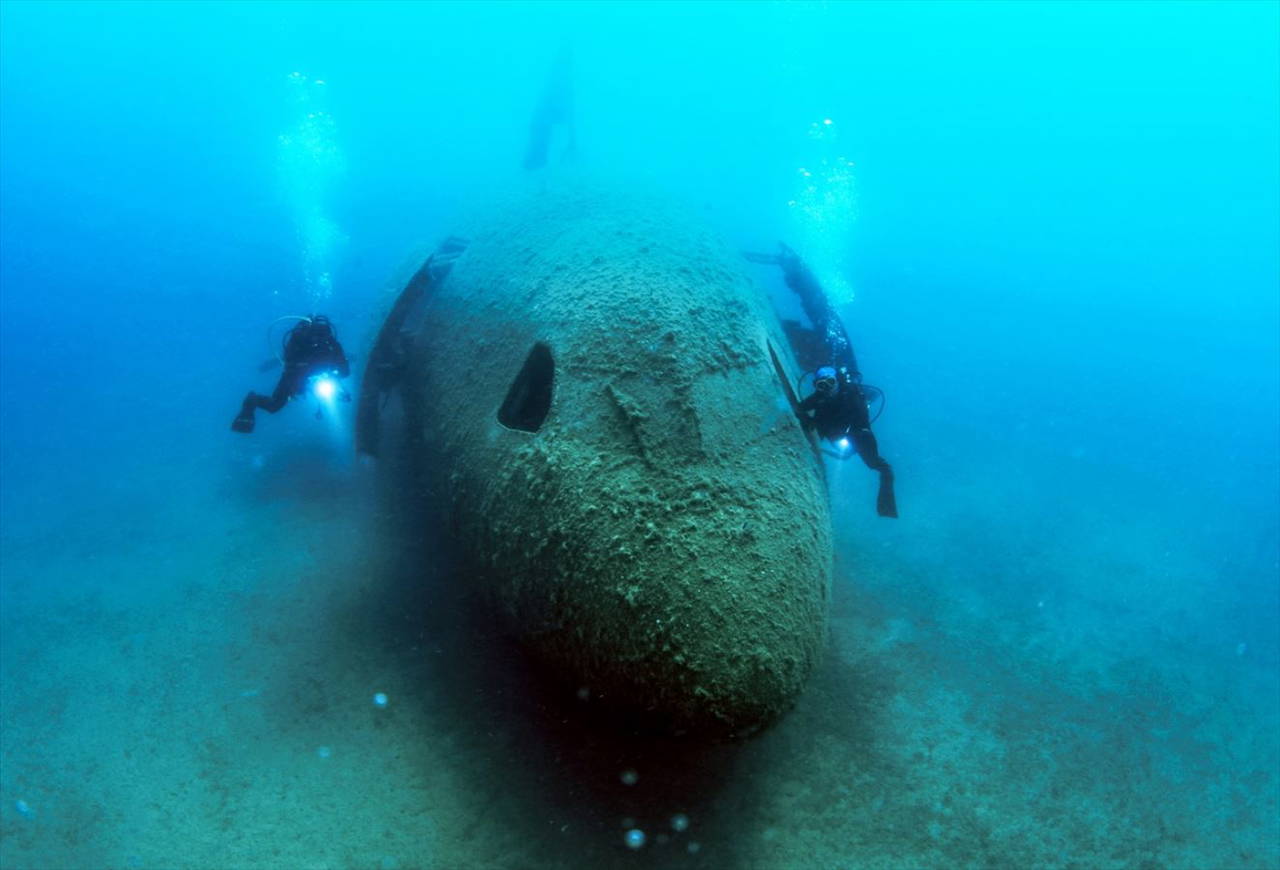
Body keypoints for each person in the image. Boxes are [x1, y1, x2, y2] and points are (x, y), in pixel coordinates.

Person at [797, 365, 898, 518]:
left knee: (877, 464)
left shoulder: (852, 393)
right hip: (839, 436)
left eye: (830, 382)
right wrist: (808, 421)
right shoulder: (819, 398)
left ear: (837, 381)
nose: (827, 388)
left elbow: (861, 419)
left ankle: (886, 505)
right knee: (846, 449)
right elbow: (800, 408)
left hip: (858, 434)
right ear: (817, 386)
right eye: (821, 385)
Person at [231, 314, 350, 433]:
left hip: (302, 373)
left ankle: (251, 403)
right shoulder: (327, 343)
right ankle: (250, 405)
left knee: (274, 405)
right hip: (298, 373)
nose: (318, 338)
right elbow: (344, 370)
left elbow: (343, 369)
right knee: (278, 403)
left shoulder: (328, 343)